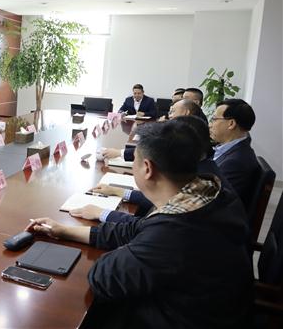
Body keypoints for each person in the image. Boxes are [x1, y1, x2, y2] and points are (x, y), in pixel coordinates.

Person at [28, 121, 252, 328]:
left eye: (134, 159)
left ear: (147, 168)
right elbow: (139, 228)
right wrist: (66, 231)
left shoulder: (175, 231)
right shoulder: (208, 192)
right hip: (210, 306)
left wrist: (129, 249)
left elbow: (103, 277)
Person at [77, 115, 230, 224]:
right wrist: (118, 191)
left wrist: (102, 212)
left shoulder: (174, 221)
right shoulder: (205, 175)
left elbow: (144, 228)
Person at [102, 98, 205, 161]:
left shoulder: (186, 134)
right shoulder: (191, 128)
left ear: (186, 112)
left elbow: (155, 150)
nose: (170, 116)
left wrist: (119, 153)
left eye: (173, 112)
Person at [210, 98, 260, 210]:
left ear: (231, 124)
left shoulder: (235, 162)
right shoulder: (233, 150)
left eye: (214, 119)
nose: (210, 125)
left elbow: (213, 201)